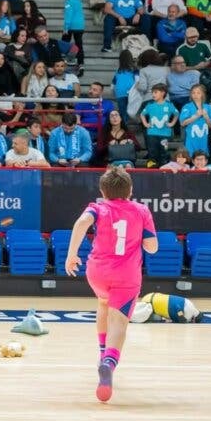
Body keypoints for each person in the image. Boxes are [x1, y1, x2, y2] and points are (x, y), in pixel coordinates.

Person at [64, 166, 159, 403]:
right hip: (126, 275)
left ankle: (101, 352)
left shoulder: (97, 207)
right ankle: (109, 361)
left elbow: (81, 223)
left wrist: (71, 254)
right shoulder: (141, 210)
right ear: (131, 191)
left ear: (102, 192)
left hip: (97, 272)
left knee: (103, 303)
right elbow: (152, 247)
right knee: (120, 322)